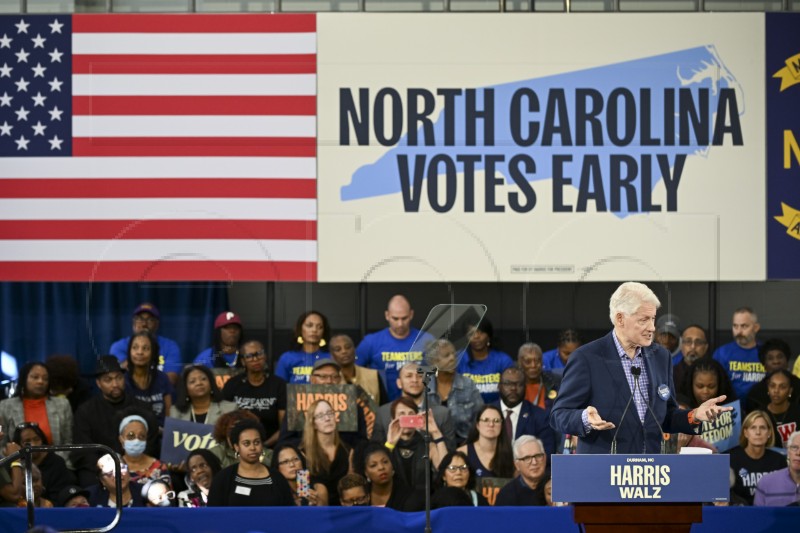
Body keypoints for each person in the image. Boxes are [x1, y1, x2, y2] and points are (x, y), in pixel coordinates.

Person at [550, 282, 732, 454]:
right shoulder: (586, 358)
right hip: (604, 469)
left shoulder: (661, 357)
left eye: (653, 319)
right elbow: (559, 415)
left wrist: (694, 415)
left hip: (648, 471)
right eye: (644, 320)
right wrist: (584, 418)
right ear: (620, 319)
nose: (652, 328)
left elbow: (666, 416)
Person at [71, 356, 159, 487]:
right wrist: (107, 468)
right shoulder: (86, 411)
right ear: (98, 383)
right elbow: (83, 451)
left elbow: (152, 443)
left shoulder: (142, 408)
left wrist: (131, 464)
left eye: (119, 378)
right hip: (101, 470)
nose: (115, 384)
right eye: (108, 380)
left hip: (138, 465)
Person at [372, 362, 457, 451]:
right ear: (399, 383)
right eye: (409, 376)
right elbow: (376, 452)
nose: (415, 380)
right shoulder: (383, 413)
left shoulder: (442, 414)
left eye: (420, 376)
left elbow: (450, 453)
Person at [207, 419, 293, 507]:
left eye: (257, 442)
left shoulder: (277, 478)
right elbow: (213, 515)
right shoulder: (223, 478)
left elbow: (288, 514)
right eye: (246, 443)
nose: (253, 447)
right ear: (236, 447)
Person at [357, 295, 426, 400]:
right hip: (380, 404)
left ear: (411, 314)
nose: (400, 324)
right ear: (387, 315)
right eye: (395, 318)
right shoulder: (371, 342)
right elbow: (353, 371)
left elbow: (438, 375)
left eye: (404, 318)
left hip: (418, 405)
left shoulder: (427, 340)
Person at [222, 339, 286, 447]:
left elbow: (283, 427)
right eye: (249, 356)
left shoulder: (278, 385)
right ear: (243, 361)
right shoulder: (233, 384)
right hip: (237, 447)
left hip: (270, 446)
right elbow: (224, 421)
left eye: (259, 354)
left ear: (265, 356)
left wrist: (264, 445)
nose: (255, 359)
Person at [0, 362, 73, 453]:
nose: (40, 381)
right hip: (17, 463)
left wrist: (58, 462)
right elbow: (2, 445)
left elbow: (68, 442)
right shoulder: (5, 406)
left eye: (45, 378)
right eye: (35, 377)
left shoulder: (62, 405)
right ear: (24, 379)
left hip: (56, 462)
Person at [426, 338, 484, 444]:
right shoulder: (424, 386)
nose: (453, 358)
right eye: (446, 355)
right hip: (432, 445)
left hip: (465, 443)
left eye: (454, 354)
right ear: (434, 362)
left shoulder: (468, 385)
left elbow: (481, 418)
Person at [109, 303, 182, 383]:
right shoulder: (118, 347)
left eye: (150, 320)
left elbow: (170, 381)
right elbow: (120, 379)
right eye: (140, 319)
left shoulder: (170, 346)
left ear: (157, 324)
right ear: (133, 323)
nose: (144, 324)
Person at [384, 397, 448, 488]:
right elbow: (381, 468)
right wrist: (390, 444)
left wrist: (436, 432)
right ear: (392, 419)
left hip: (422, 499)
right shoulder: (386, 446)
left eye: (411, 414)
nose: (407, 418)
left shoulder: (429, 446)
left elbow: (445, 471)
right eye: (402, 414)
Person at [8, 422, 76, 503]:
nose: (33, 445)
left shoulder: (56, 462)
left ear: (42, 440)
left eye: (36, 439)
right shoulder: (13, 464)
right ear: (18, 445)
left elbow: (60, 496)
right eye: (27, 441)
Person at [728, 410, 786, 505]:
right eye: (753, 427)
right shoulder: (732, 460)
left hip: (771, 513)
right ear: (746, 433)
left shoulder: (779, 460)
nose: (758, 432)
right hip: (740, 513)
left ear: (769, 433)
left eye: (762, 428)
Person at [300, 399, 350, 506]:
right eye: (320, 416)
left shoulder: (348, 450)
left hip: (343, 505)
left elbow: (352, 483)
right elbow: (302, 488)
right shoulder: (302, 453)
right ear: (313, 424)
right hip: (314, 506)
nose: (327, 418)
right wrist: (308, 494)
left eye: (329, 413)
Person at [494, 367, 554, 454]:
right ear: (499, 386)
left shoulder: (540, 416)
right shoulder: (486, 414)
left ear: (525, 387)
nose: (513, 388)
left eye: (519, 384)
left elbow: (547, 453)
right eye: (507, 384)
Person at [457, 319, 514, 404]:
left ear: (488, 335)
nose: (476, 336)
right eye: (471, 333)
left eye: (480, 332)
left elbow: (511, 391)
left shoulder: (503, 360)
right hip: (466, 412)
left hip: (497, 412)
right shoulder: (458, 359)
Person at [124, 332, 174, 428]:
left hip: (160, 435)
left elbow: (169, 412)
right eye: (135, 347)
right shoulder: (123, 381)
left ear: (153, 353)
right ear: (129, 351)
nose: (140, 352)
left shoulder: (162, 378)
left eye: (145, 348)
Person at [713, 307, 765, 399]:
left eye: (744, 326)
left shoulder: (766, 352)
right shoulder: (721, 353)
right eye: (735, 326)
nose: (739, 331)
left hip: (760, 408)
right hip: (730, 407)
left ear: (756, 327)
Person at [457, 405, 514, 480]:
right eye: (486, 420)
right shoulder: (463, 452)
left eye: (496, 421)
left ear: (502, 426)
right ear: (477, 425)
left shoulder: (509, 453)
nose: (491, 424)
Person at [169, 365, 237, 427]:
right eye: (192, 381)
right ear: (185, 389)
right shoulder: (175, 412)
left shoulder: (229, 409)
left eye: (203, 379)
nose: (199, 383)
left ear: (211, 383)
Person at [275, 311, 331, 385]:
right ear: (300, 329)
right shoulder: (287, 358)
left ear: (323, 332)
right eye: (309, 325)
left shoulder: (331, 357)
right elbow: (278, 388)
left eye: (319, 327)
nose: (314, 330)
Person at [330, 334, 387, 405]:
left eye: (348, 347)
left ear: (354, 350)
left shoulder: (373, 375)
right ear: (332, 355)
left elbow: (384, 407)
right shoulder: (330, 380)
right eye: (338, 349)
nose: (344, 351)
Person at [116, 411, 169, 487]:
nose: (136, 440)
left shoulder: (160, 467)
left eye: (141, 436)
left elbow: (168, 496)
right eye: (131, 436)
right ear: (121, 439)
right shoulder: (114, 468)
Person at [746, 339, 800, 413]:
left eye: (780, 357)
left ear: (787, 361)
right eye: (770, 358)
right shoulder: (755, 393)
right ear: (764, 366)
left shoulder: (798, 386)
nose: (776, 361)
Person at [193, 312, 245, 388]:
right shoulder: (205, 358)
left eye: (236, 328)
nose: (232, 331)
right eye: (227, 327)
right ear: (218, 332)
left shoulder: (248, 355)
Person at [355, 442, 411, 510]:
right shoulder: (361, 495)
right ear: (366, 472)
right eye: (373, 465)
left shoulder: (407, 495)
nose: (381, 467)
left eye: (385, 462)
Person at [494, 435, 547, 506]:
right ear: (517, 465)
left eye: (538, 456)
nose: (534, 462)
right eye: (527, 458)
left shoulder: (557, 487)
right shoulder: (506, 494)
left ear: (545, 458)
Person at [754, 431, 800, 506]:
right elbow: (757, 517)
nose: (798, 453)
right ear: (788, 451)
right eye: (794, 447)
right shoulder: (765, 483)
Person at [518, 343, 560, 413]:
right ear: (520, 363)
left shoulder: (554, 383)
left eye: (537, 361)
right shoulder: (513, 385)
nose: (533, 365)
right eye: (528, 362)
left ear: (542, 362)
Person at [762, 370, 800, 448]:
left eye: (782, 387)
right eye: (772, 386)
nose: (776, 391)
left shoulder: (798, 412)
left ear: (790, 391)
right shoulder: (760, 415)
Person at [673, 325, 710, 393]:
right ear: (681, 346)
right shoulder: (670, 374)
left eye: (698, 342)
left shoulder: (715, 373)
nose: (693, 347)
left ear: (706, 347)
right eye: (688, 341)